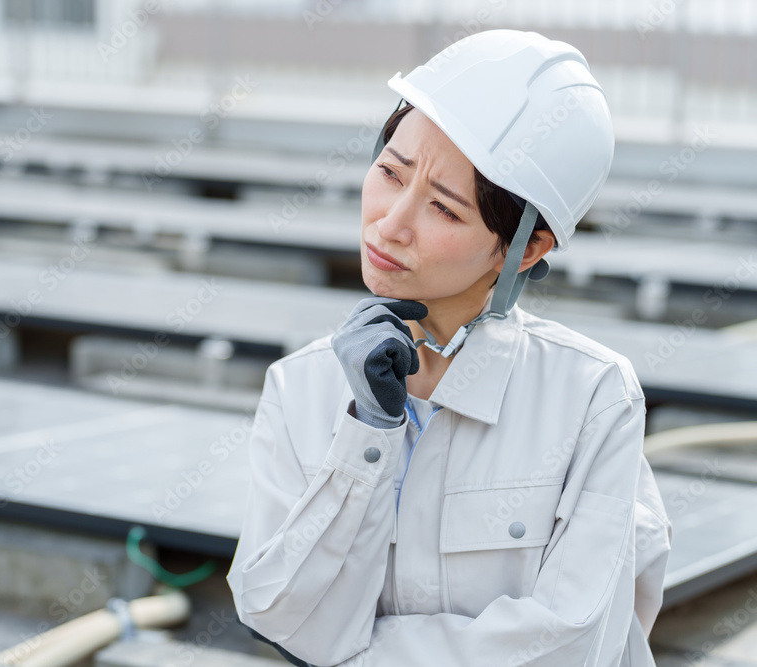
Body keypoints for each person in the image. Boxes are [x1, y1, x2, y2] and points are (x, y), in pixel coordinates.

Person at [226, 28, 673, 667]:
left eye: (443, 209)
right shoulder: (303, 387)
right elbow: (284, 617)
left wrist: (356, 656)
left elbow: (569, 645)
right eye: (389, 173)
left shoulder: (591, 398)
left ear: (529, 247)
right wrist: (367, 433)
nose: (391, 222)